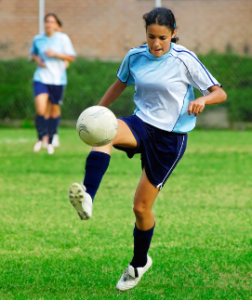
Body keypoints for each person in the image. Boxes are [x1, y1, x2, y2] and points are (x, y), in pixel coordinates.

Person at [68, 7, 227, 291]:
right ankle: (88, 197)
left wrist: (204, 101)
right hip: (141, 123)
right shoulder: (135, 56)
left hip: (170, 138)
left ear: (173, 34)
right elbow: (119, 84)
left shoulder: (185, 59)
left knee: (140, 208)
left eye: (163, 38)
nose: (156, 44)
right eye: (151, 37)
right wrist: (97, 113)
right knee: (105, 132)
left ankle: (139, 263)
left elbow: (218, 92)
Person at [30, 13, 76, 154]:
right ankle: (40, 138)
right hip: (41, 78)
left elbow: (71, 57)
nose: (49, 24)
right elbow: (33, 54)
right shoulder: (38, 39)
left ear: (56, 25)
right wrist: (37, 60)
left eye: (52, 22)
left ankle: (50, 139)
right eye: (47, 22)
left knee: (54, 110)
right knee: (41, 109)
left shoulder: (63, 39)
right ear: (44, 24)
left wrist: (55, 54)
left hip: (57, 80)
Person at [42, 17, 70, 149]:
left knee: (54, 107)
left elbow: (67, 60)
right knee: (44, 107)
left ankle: (54, 133)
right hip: (45, 78)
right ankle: (46, 134)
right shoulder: (45, 40)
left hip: (58, 80)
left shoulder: (63, 40)